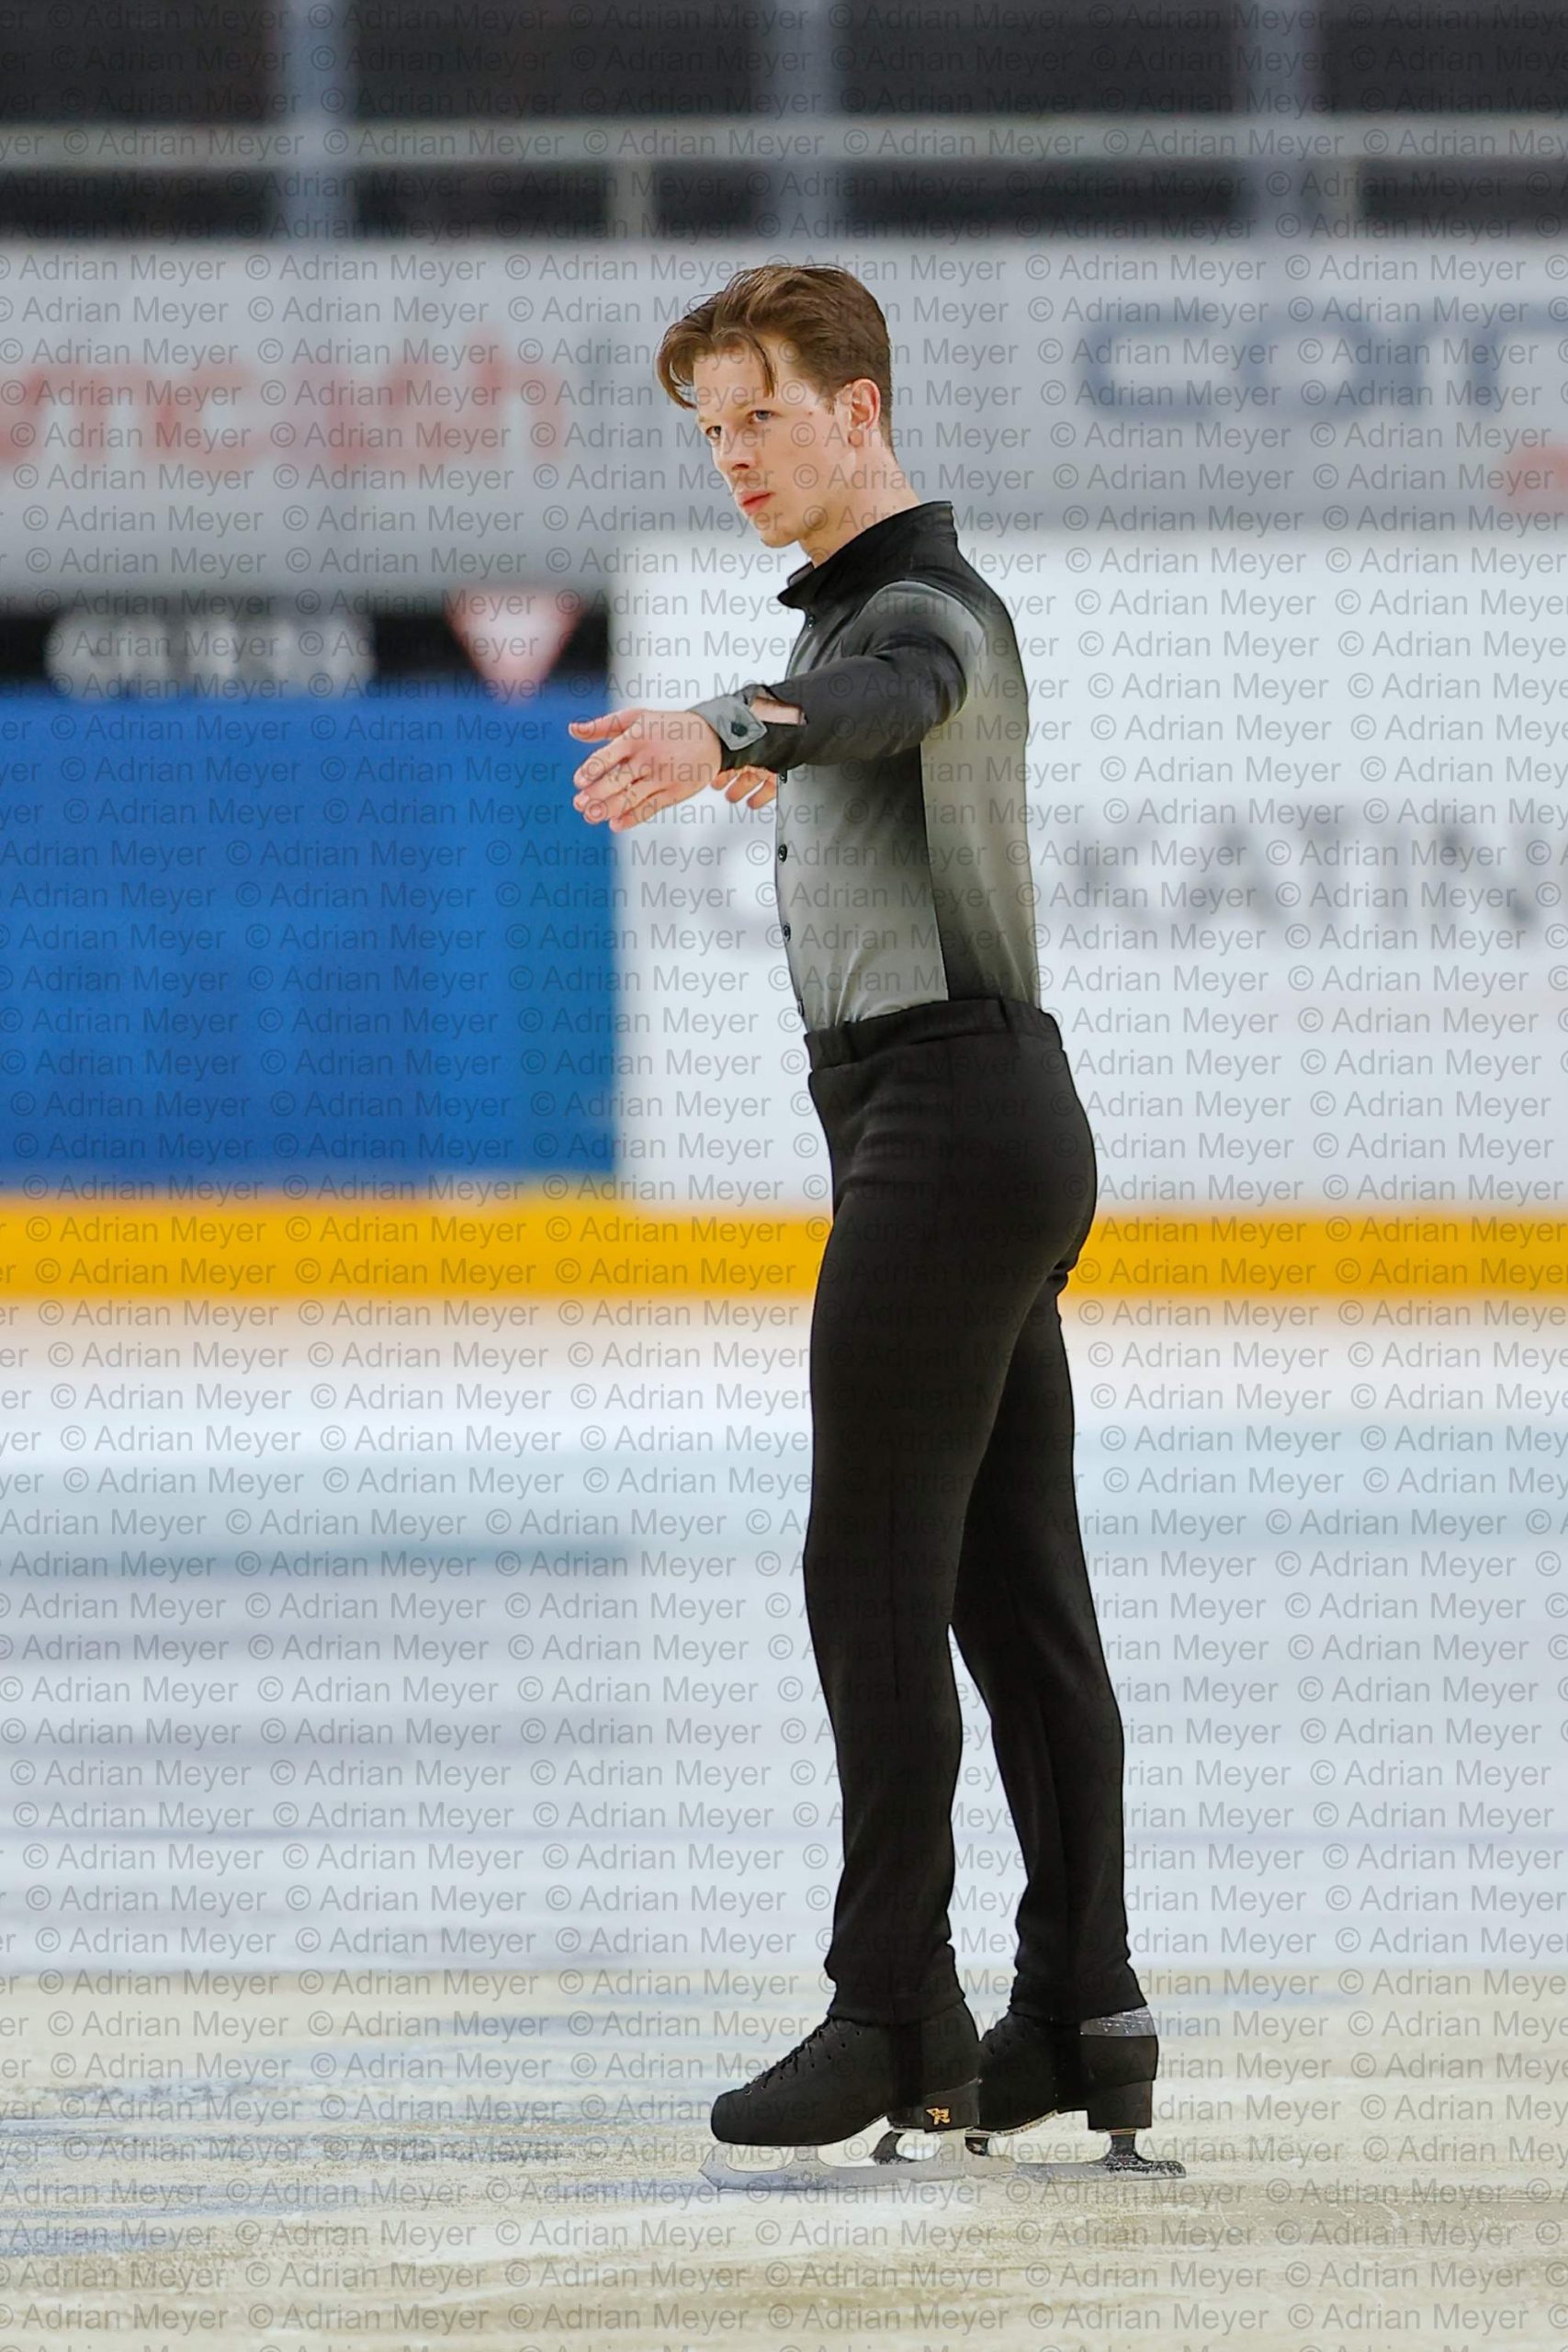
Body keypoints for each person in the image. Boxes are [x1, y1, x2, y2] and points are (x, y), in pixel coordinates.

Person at [568, 263, 1161, 2161]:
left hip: (949, 1128)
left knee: (872, 1567)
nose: (733, 457)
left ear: (859, 409)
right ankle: (1080, 2008)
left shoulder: (920, 611)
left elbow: (889, 692)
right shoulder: (857, 620)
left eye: (759, 415)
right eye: (709, 431)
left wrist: (729, 728)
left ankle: (892, 2005)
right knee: (1010, 1590)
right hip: (979, 1126)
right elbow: (860, 718)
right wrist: (781, 740)